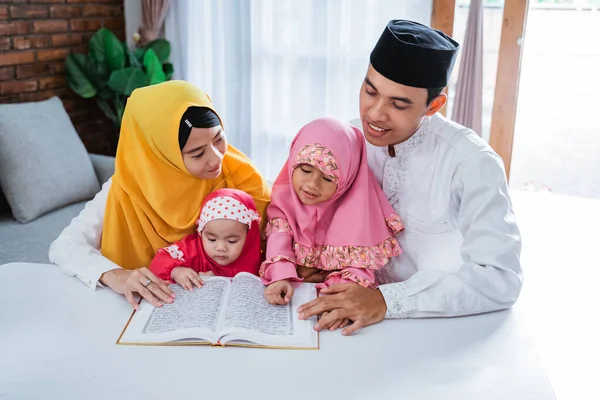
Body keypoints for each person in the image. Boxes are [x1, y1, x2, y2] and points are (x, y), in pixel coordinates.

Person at [296, 20, 523, 335]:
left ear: (434, 105)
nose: (375, 114)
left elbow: (499, 278)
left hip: (438, 332)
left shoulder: (472, 163)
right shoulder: (345, 142)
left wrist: (387, 301)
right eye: (370, 91)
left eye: (398, 104)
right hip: (347, 322)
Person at [49, 80, 271, 310]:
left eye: (219, 139)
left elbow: (278, 236)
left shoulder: (241, 178)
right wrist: (116, 275)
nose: (216, 159)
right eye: (197, 153)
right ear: (162, 155)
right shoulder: (126, 188)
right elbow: (64, 246)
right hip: (143, 309)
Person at [261, 117, 403, 330]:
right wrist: (280, 277)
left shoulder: (358, 212)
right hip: (290, 304)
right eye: (305, 170)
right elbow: (278, 242)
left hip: (326, 315)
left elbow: (359, 267)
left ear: (347, 179)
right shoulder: (284, 201)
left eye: (328, 179)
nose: (312, 184)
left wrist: (335, 297)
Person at [149, 188, 262, 290]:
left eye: (232, 241)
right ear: (201, 232)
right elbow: (159, 261)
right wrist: (176, 271)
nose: (221, 248)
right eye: (212, 239)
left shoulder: (260, 258)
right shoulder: (192, 250)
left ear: (249, 237)